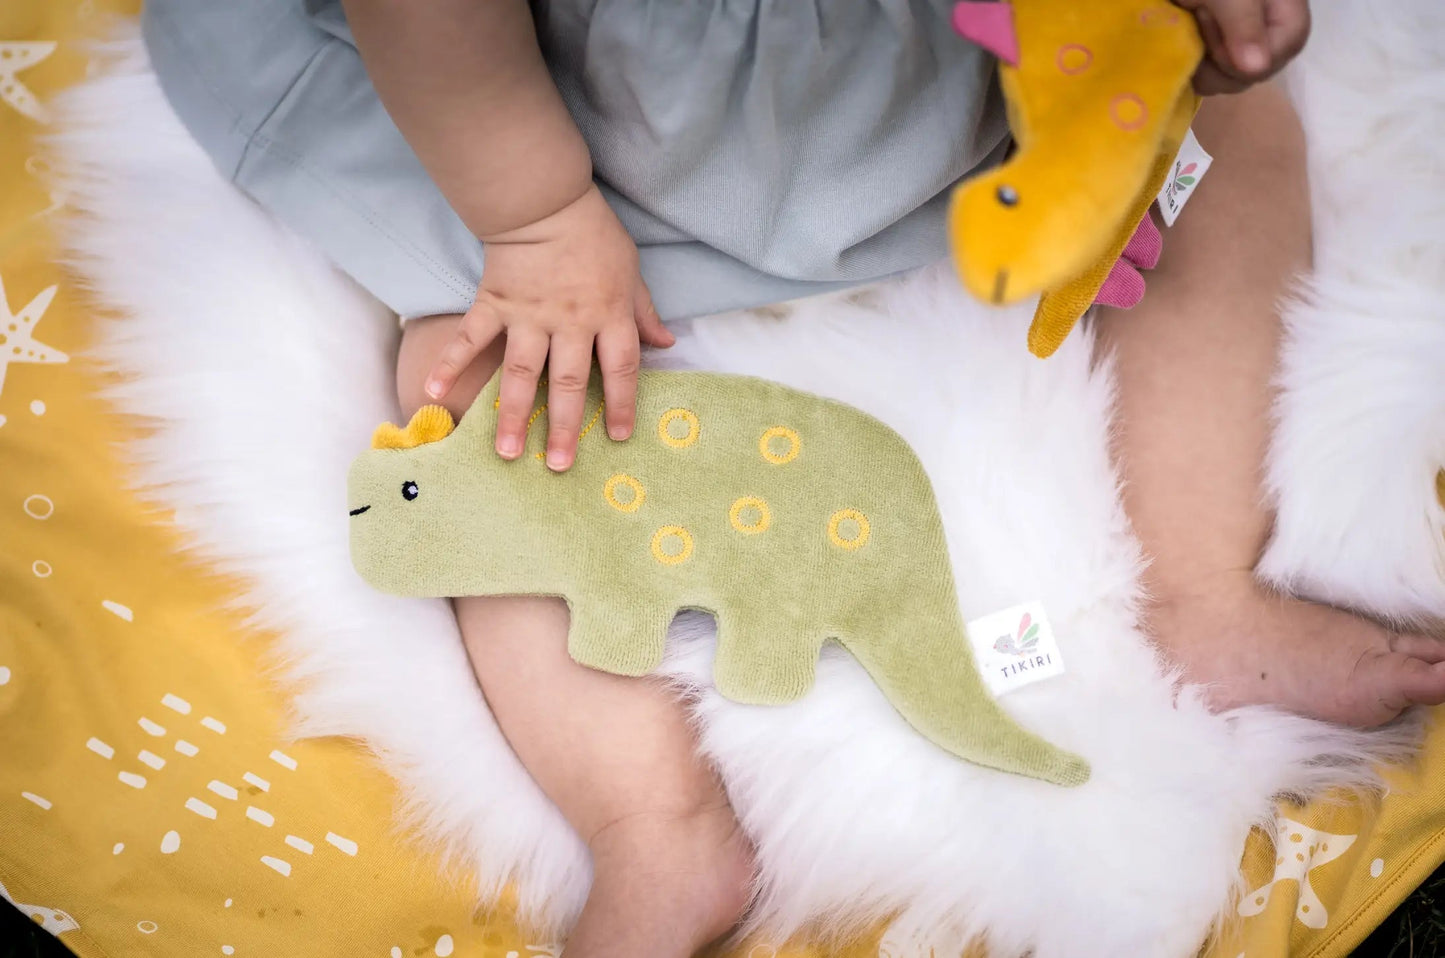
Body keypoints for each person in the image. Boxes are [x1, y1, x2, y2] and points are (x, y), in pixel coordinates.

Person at [141, 1, 1445, 953]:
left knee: (1226, 141)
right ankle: (653, 821)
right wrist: (534, 223)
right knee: (476, 386)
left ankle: (1200, 585)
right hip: (562, 117)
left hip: (939, 78)